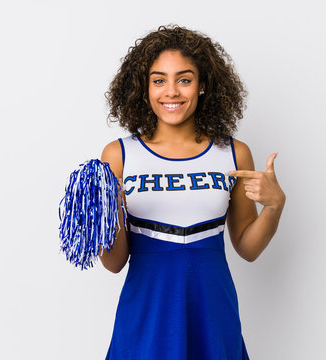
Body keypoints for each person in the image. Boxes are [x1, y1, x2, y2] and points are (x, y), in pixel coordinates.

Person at [99, 24, 286, 359]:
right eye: (159, 80)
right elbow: (115, 262)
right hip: (147, 312)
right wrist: (102, 219)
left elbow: (247, 247)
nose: (171, 91)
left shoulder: (233, 153)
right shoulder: (118, 155)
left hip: (211, 308)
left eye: (184, 79)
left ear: (203, 86)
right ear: (143, 88)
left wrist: (274, 206)